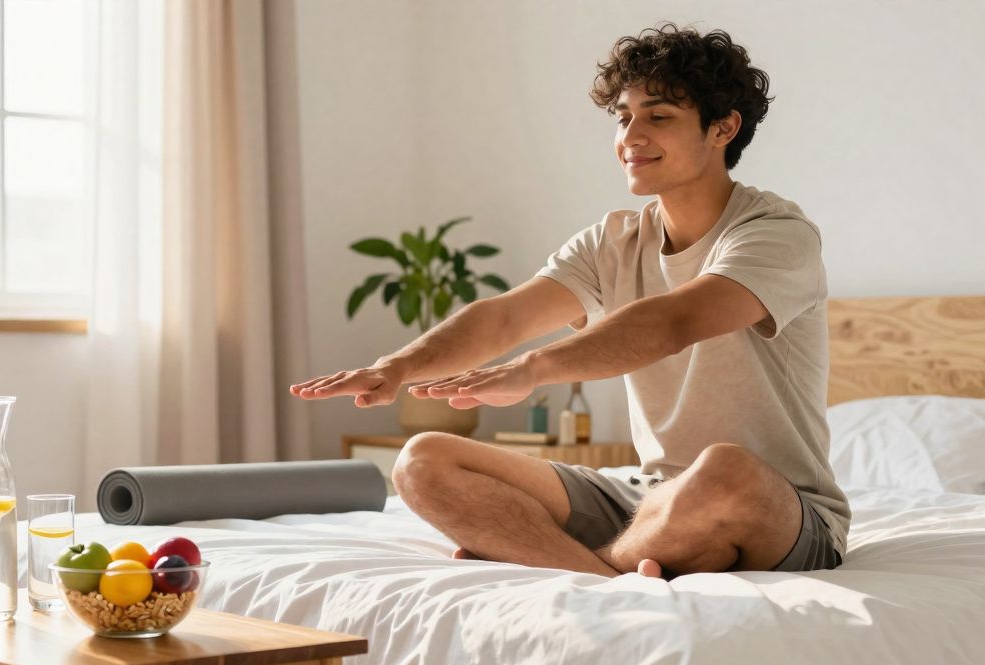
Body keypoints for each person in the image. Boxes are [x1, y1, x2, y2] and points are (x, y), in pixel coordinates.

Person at [291, 23, 847, 579]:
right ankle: (610, 577)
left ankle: (562, 564)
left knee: (725, 470)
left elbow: (677, 320)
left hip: (780, 510)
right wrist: (397, 369)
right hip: (646, 496)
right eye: (623, 117)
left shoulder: (775, 233)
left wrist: (534, 369)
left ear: (723, 128)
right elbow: (506, 315)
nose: (630, 136)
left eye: (658, 117)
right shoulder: (613, 240)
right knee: (423, 460)